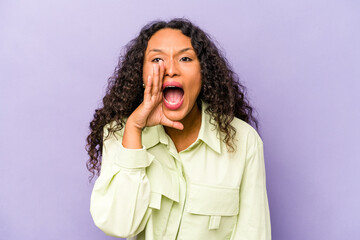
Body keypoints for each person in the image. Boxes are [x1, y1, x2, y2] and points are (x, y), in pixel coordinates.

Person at [86, 18, 271, 240]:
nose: (171, 70)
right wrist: (134, 130)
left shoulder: (244, 140)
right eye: (157, 59)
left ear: (204, 73)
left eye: (185, 58)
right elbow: (118, 226)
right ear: (141, 75)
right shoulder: (120, 134)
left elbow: (253, 232)